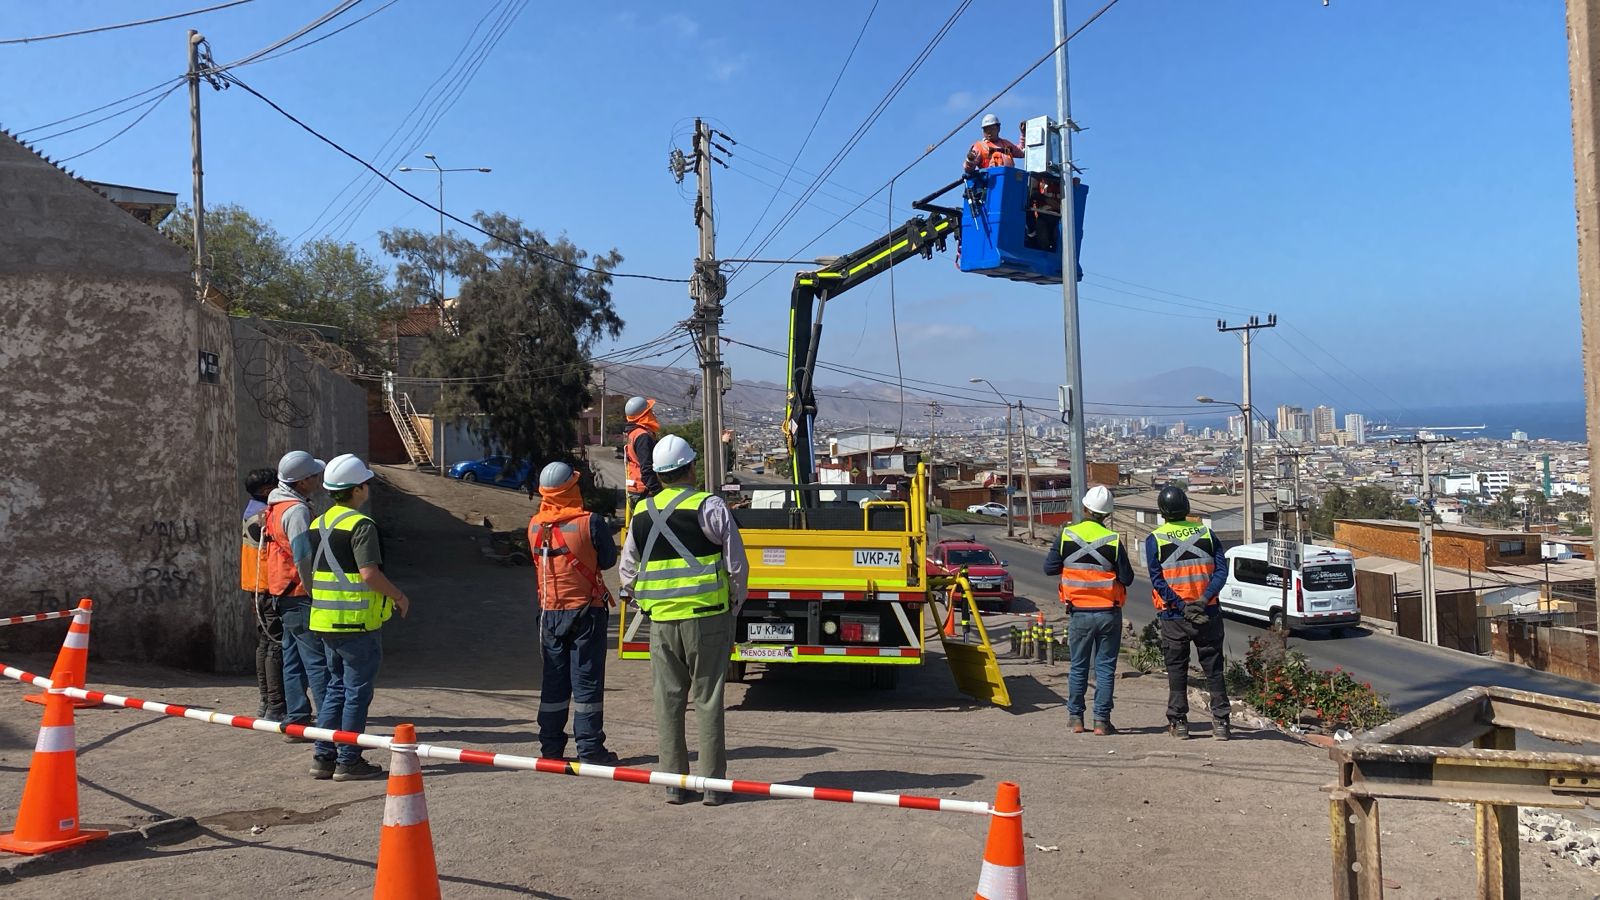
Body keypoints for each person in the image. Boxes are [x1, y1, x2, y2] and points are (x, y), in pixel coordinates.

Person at [618, 435, 748, 806]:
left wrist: (647, 603)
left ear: (658, 474)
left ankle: (674, 783)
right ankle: (712, 787)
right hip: (708, 619)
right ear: (691, 468)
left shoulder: (642, 512)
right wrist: (733, 605)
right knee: (707, 700)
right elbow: (736, 566)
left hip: (661, 623)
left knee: (668, 701)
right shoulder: (709, 505)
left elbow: (627, 573)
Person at [307, 454, 411, 781]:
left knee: (336, 688)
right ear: (356, 490)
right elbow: (369, 573)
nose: (367, 489)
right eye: (365, 484)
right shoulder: (361, 525)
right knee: (356, 691)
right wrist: (398, 596)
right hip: (356, 622)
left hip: (324, 621)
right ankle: (349, 759)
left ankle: (323, 757)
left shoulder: (317, 523)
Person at [529, 461, 620, 765]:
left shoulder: (534, 525)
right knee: (586, 681)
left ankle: (551, 749)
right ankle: (590, 750)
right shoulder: (589, 522)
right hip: (586, 613)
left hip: (548, 614)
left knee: (553, 681)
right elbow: (607, 560)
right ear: (571, 488)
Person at [1144, 484, 1231, 740]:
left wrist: (1182, 605)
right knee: (1213, 669)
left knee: (1177, 669)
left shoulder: (1156, 539)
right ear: (1187, 508)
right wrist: (1203, 600)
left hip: (1174, 616)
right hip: (1209, 613)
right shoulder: (1207, 534)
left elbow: (1157, 580)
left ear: (1162, 512)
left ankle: (1179, 722)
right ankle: (1222, 723)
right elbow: (1221, 572)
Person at [1044, 485, 1134, 736]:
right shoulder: (1113, 541)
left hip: (1079, 612)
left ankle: (1075, 719)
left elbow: (1049, 568)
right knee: (1105, 668)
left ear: (1084, 508)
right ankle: (1102, 722)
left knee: (1079, 666)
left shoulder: (1066, 535)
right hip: (1108, 612)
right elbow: (1127, 578)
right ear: (1106, 514)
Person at [265, 450, 329, 740]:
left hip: (282, 590)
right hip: (300, 592)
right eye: (314, 475)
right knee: (315, 660)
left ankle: (296, 719)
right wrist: (315, 592)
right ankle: (330, 725)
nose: (318, 479)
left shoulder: (277, 506)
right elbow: (303, 555)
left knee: (293, 659)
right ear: (302, 481)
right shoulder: (297, 511)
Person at [241, 467, 281, 720]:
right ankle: (274, 705)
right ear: (266, 490)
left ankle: (267, 703)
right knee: (274, 646)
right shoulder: (262, 515)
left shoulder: (253, 509)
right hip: (267, 586)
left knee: (265, 645)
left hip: (256, 585)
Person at [622, 396, 663, 505]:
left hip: (637, 489)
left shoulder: (634, 433)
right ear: (644, 415)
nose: (653, 414)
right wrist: (658, 492)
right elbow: (646, 468)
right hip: (644, 491)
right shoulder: (643, 436)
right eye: (650, 411)